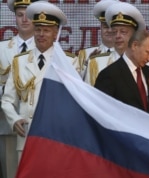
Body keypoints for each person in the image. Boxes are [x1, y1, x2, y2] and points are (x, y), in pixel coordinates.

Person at [1, 1, 79, 164]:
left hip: (55, 138)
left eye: (46, 30)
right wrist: (14, 120)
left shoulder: (69, 62)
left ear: (56, 32)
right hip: (26, 137)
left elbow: (75, 103)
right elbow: (7, 100)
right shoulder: (19, 61)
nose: (41, 34)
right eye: (38, 29)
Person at [87, 2, 149, 119]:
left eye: (123, 32)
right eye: (114, 32)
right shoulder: (98, 65)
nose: (117, 36)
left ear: (135, 36)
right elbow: (96, 108)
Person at [0, 0, 46, 177]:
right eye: (20, 15)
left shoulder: (45, 49)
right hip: (6, 124)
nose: (24, 20)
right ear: (15, 18)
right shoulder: (1, 49)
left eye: (29, 15)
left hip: (39, 126)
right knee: (11, 171)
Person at [95, 29, 149, 116]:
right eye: (148, 53)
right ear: (134, 45)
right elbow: (102, 111)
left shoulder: (148, 72)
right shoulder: (109, 74)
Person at [79, 0, 119, 79]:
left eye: (113, 27)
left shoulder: (127, 54)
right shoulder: (85, 54)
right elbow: (75, 83)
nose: (109, 30)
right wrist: (88, 63)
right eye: (105, 26)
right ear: (100, 27)